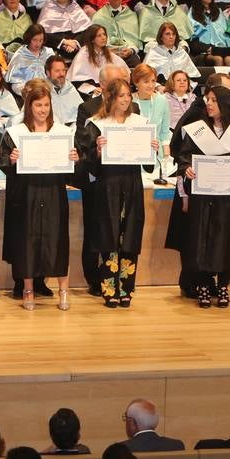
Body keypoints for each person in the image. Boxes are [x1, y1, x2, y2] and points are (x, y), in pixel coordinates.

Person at [168, 84, 230, 307]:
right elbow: (183, 157)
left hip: (228, 199)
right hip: (203, 198)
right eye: (207, 99)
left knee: (226, 240)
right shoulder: (198, 130)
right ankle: (203, 285)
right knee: (201, 241)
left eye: (213, 100)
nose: (208, 104)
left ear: (225, 104)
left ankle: (223, 286)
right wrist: (186, 168)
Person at [76, 78, 158, 307]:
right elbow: (89, 164)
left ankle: (126, 290)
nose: (125, 100)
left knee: (130, 234)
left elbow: (149, 165)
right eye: (121, 95)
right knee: (108, 235)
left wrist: (152, 149)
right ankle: (109, 288)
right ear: (110, 97)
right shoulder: (97, 124)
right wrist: (99, 151)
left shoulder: (140, 122)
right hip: (108, 186)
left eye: (128, 95)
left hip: (131, 184)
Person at [0, 79, 77, 310]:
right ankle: (28, 289)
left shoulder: (62, 132)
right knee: (27, 243)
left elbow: (72, 172)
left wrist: (74, 160)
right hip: (27, 195)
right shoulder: (16, 133)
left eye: (46, 105)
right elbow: (3, 162)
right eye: (38, 105)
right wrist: (11, 160)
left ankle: (63, 289)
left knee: (58, 241)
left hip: (53, 194)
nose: (43, 110)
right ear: (29, 106)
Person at [187, 0, 230, 66]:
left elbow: (225, 33)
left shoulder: (218, 11)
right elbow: (192, 38)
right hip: (204, 50)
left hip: (220, 48)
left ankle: (228, 79)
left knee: (229, 59)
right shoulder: (193, 13)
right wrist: (207, 48)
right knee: (218, 59)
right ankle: (218, 79)